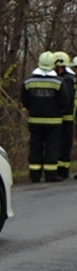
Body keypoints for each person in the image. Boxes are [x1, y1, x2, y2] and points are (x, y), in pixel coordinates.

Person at [22, 51, 71, 182]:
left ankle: (35, 175)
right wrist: (57, 110)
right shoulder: (59, 82)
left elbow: (24, 100)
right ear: (53, 65)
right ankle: (50, 174)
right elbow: (65, 101)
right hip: (54, 121)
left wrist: (33, 109)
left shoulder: (28, 81)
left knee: (35, 146)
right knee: (52, 146)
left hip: (34, 120)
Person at [55, 52, 77, 180]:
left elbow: (68, 99)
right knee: (62, 144)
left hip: (67, 117)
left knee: (65, 144)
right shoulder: (69, 79)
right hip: (68, 117)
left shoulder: (67, 79)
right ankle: (62, 170)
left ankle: (63, 171)